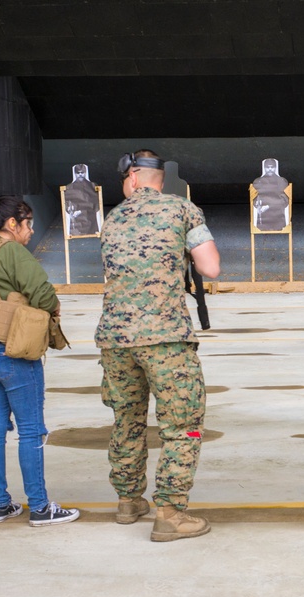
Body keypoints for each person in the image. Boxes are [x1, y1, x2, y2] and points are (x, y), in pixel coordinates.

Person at [95, 149, 221, 542]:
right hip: (165, 338)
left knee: (127, 420)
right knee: (183, 426)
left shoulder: (113, 217)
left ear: (132, 177)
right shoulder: (183, 210)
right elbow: (211, 268)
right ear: (156, 179)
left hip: (116, 340)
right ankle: (170, 511)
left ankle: (129, 500)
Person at [0, 196, 80, 527]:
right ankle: (40, 507)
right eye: (28, 223)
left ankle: (0, 505)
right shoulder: (10, 251)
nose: (32, 229)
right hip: (10, 352)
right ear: (12, 224)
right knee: (31, 430)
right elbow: (44, 294)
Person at [251, 158, 290, 231]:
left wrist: (269, 206)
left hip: (278, 218)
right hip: (263, 219)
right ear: (264, 168)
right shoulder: (258, 181)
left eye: (272, 167)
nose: (270, 169)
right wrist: (256, 203)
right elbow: (254, 198)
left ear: (275, 168)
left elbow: (285, 200)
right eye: (267, 167)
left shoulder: (281, 181)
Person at [63, 163, 101, 236]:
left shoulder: (93, 186)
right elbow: (67, 202)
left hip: (90, 217)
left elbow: (96, 202)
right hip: (76, 219)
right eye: (78, 173)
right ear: (75, 174)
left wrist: (82, 210)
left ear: (85, 173)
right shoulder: (69, 187)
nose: (80, 175)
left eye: (82, 172)